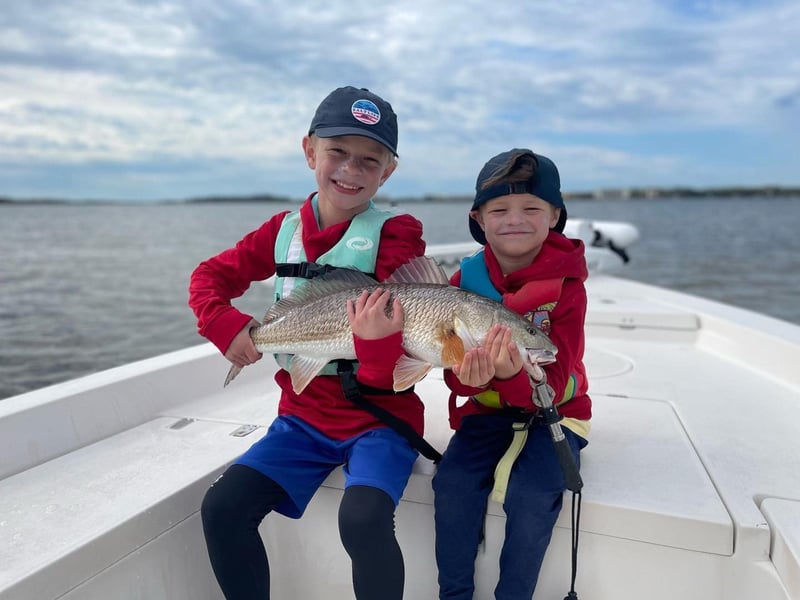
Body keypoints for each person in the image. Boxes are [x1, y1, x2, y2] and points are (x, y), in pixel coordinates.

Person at [189, 86, 426, 600]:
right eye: (337, 152)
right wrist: (227, 328)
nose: (351, 169)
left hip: (380, 419)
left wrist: (375, 344)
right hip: (301, 418)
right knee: (222, 509)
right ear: (309, 150)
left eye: (370, 160)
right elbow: (209, 277)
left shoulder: (398, 232)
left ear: (387, 172)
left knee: (362, 520)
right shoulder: (282, 231)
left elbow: (404, 343)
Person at [432, 148, 591, 599]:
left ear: (555, 215)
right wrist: (479, 377)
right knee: (452, 484)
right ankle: (454, 594)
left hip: (556, 414)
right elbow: (456, 378)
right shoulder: (460, 286)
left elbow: (555, 379)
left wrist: (510, 376)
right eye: (498, 209)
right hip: (486, 414)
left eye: (532, 208)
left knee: (535, 493)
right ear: (478, 219)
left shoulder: (568, 288)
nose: (514, 219)